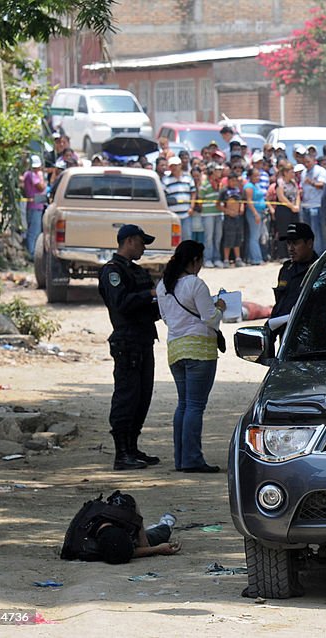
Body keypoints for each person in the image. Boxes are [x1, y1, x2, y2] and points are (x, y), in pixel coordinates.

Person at [156, 241, 225, 473]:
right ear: (195, 260)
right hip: (200, 349)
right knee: (195, 406)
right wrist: (221, 307)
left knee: (184, 404)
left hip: (175, 349)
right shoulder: (195, 284)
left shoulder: (163, 286)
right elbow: (210, 318)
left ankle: (181, 458)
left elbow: (166, 319)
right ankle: (192, 459)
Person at [98, 225, 162, 471]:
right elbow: (121, 303)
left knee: (143, 396)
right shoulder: (112, 271)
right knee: (127, 396)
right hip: (127, 341)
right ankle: (122, 453)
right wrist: (149, 294)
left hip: (144, 338)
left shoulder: (137, 272)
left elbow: (149, 305)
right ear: (129, 241)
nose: (144, 248)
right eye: (141, 242)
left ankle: (132, 448)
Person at [61, 491, 180, 564]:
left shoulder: (123, 508)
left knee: (157, 535)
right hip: (109, 540)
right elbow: (126, 553)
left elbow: (139, 545)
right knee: (158, 537)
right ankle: (164, 525)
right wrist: (157, 549)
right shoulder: (84, 548)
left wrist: (143, 540)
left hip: (120, 528)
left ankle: (165, 524)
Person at [271, 223, 320, 320]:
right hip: (284, 330)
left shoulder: (319, 271)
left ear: (309, 243)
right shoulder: (286, 269)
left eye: (295, 243)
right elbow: (279, 305)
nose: (290, 249)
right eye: (288, 243)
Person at [162, 156, 196, 240]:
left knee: (187, 238)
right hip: (173, 215)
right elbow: (163, 196)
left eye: (176, 165)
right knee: (174, 239)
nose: (174, 168)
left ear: (180, 165)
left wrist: (191, 207)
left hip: (186, 214)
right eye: (172, 166)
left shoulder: (188, 178)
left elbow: (193, 193)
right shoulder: (165, 180)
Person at [219, 171, 245, 267]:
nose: (234, 183)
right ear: (228, 181)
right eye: (232, 181)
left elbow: (241, 200)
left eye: (235, 181)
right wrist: (227, 211)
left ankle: (238, 259)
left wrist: (242, 207)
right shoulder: (224, 191)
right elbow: (218, 204)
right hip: (228, 218)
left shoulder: (238, 190)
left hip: (238, 217)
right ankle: (226, 259)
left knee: (238, 238)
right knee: (228, 238)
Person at [22, 156, 47, 256]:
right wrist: (41, 177)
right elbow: (41, 188)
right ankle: (31, 253)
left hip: (38, 205)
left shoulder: (30, 174)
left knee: (36, 231)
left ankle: (33, 252)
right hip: (34, 206)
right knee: (33, 232)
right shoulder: (32, 175)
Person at [243, 168, 267, 265]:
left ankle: (251, 257)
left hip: (260, 211)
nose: (258, 177)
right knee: (254, 236)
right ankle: (256, 259)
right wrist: (255, 214)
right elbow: (249, 201)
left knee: (256, 235)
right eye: (255, 175)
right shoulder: (249, 186)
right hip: (254, 213)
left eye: (258, 175)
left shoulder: (256, 185)